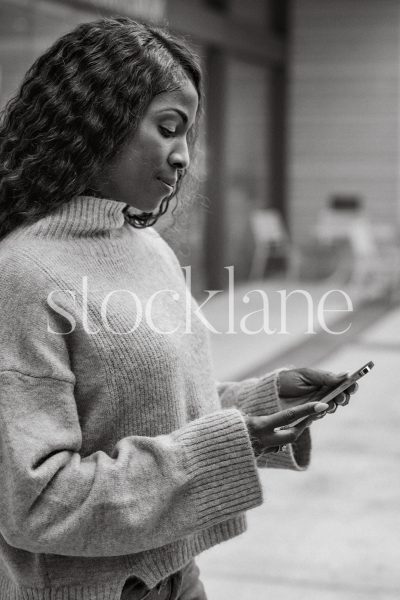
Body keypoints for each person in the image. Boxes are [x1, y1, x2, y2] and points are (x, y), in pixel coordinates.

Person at [0, 17, 356, 600]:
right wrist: (222, 449)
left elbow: (153, 411)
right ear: (96, 122)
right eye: (168, 128)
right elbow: (36, 503)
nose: (183, 156)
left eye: (189, 133)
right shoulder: (20, 274)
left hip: (179, 577)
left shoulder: (149, 249)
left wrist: (262, 405)